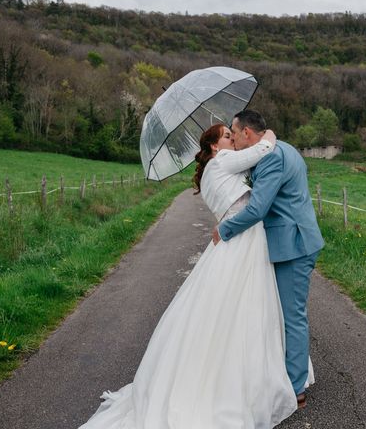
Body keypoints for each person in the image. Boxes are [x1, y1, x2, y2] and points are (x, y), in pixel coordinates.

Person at [78, 123, 297, 429]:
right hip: (243, 238)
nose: (233, 139)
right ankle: (238, 382)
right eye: (227, 136)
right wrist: (270, 133)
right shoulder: (222, 160)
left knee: (228, 308)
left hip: (233, 240)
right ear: (214, 147)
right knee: (244, 305)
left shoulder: (210, 172)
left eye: (232, 134)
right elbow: (263, 148)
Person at [213, 110, 324, 409]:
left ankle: (295, 387)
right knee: (284, 314)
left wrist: (224, 229)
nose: (233, 142)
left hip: (294, 244)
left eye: (234, 135)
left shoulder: (272, 157)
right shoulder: (282, 147)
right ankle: (283, 375)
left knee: (292, 317)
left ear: (247, 133)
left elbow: (258, 208)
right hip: (294, 239)